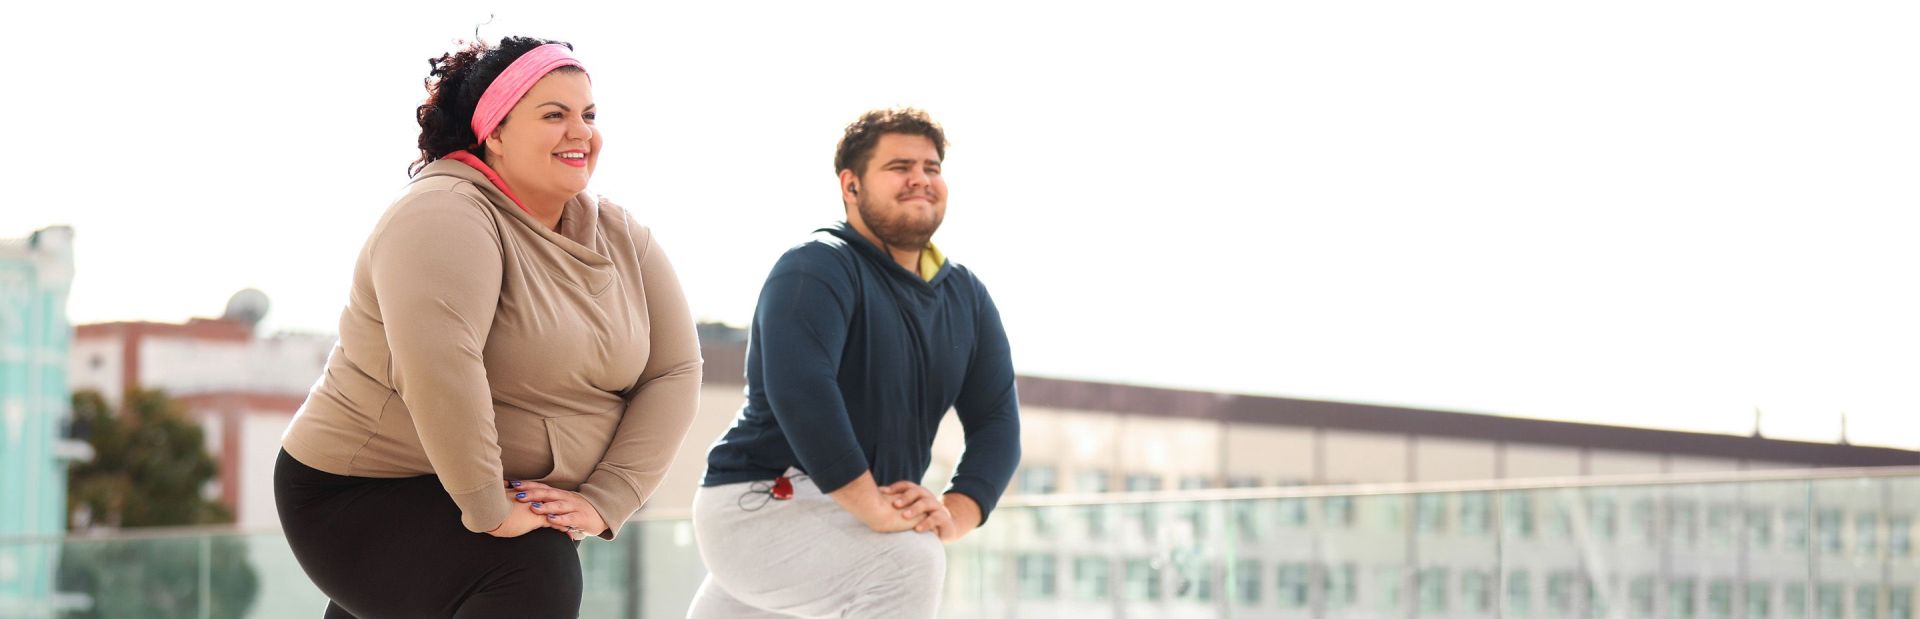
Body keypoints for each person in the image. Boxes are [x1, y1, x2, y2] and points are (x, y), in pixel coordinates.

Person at [275, 36, 702, 618]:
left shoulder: (621, 233)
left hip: (488, 490)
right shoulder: (444, 213)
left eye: (589, 114)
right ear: (494, 134)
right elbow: (441, 367)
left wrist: (610, 496)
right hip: (368, 490)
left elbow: (675, 369)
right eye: (554, 115)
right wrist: (488, 509)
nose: (581, 131)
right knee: (531, 569)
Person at [687, 108, 1021, 618]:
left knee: (912, 549)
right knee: (910, 560)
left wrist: (957, 512)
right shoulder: (815, 266)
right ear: (851, 185)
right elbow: (801, 389)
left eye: (932, 168)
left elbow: (997, 420)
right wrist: (870, 506)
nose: (920, 180)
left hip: (854, 519)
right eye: (899, 166)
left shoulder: (966, 296)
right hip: (763, 502)